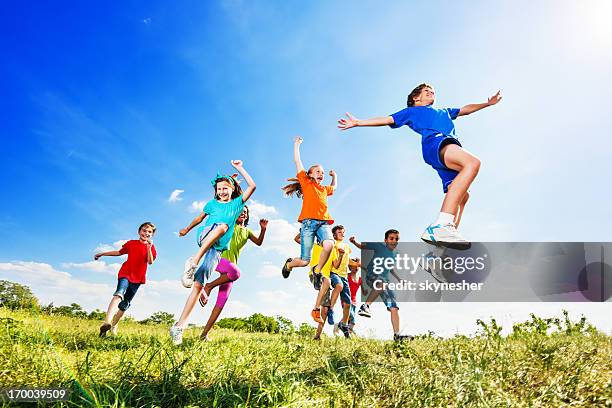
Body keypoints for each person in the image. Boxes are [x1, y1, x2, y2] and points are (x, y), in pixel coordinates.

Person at [338, 84, 502, 248]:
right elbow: (387, 119)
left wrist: (487, 104)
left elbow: (465, 109)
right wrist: (359, 122)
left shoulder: (444, 112)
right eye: (427, 91)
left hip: (448, 149)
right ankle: (440, 225)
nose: (432, 92)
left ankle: (442, 246)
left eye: (433, 91)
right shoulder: (411, 111)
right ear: (416, 98)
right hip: (436, 143)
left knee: (463, 196)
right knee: (472, 163)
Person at [170, 160, 256, 345]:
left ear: (232, 190)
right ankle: (193, 261)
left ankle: (179, 326)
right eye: (219, 189)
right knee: (223, 226)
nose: (222, 191)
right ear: (215, 191)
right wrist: (186, 228)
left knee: (199, 286)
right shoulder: (211, 204)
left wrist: (239, 168)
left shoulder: (237, 205)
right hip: (205, 236)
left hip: (216, 250)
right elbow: (199, 218)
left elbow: (252, 186)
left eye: (226, 188)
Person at [281, 136, 337, 323]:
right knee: (304, 260)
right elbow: (298, 162)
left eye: (322, 172)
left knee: (329, 244)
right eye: (318, 171)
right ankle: (289, 264)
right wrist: (297, 145)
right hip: (307, 224)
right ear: (310, 174)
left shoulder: (324, 189)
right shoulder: (306, 182)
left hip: (323, 223)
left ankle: (318, 270)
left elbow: (334, 188)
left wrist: (333, 176)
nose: (321, 173)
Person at [197, 207, 268, 341]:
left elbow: (258, 242)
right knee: (236, 273)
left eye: (245, 213)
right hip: (218, 259)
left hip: (230, 268)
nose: (243, 213)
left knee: (221, 302)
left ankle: (204, 334)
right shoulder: (228, 225)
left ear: (247, 217)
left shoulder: (247, 231)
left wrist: (263, 229)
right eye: (241, 211)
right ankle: (208, 286)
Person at [94, 222, 157, 337]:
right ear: (139, 232)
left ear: (152, 235)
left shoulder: (151, 247)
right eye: (144, 230)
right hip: (125, 273)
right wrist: (102, 253)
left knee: (124, 305)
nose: (146, 233)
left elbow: (150, 261)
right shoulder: (131, 243)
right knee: (119, 294)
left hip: (138, 278)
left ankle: (113, 326)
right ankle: (106, 322)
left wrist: (148, 248)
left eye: (149, 232)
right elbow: (119, 252)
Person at [349, 230, 413, 341]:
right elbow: (361, 246)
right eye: (391, 238)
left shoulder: (396, 253)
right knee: (382, 282)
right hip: (372, 276)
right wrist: (354, 242)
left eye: (396, 239)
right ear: (385, 240)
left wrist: (399, 279)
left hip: (384, 281)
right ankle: (365, 306)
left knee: (394, 307)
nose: (394, 241)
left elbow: (390, 267)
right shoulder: (379, 246)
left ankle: (397, 335)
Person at [327, 225, 352, 338]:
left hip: (344, 275)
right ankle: (330, 309)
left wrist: (359, 264)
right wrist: (340, 254)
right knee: (338, 285)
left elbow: (348, 261)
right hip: (334, 273)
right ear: (334, 235)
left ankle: (344, 324)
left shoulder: (347, 247)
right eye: (339, 232)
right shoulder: (333, 245)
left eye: (343, 232)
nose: (342, 234)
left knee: (348, 304)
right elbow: (335, 265)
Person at [347, 257, 362, 334]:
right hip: (345, 298)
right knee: (351, 315)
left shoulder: (360, 279)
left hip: (354, 300)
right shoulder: (347, 276)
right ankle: (349, 329)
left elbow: (364, 291)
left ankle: (348, 332)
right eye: (354, 266)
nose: (356, 268)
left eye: (357, 266)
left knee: (349, 317)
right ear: (350, 267)